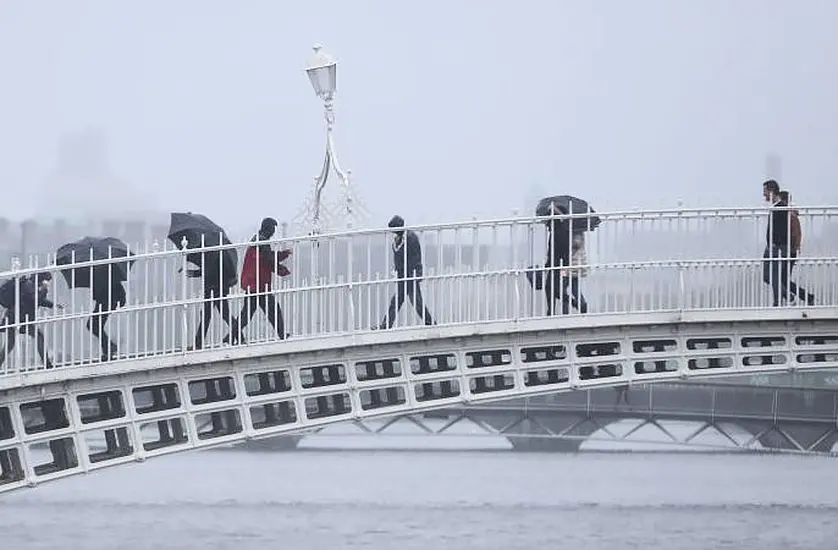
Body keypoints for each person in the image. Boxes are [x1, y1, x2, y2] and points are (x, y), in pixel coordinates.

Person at [377, 215, 435, 329]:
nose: (392, 231)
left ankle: (431, 324)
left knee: (415, 301)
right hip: (403, 275)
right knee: (399, 301)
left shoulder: (410, 237)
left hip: (410, 275)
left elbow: (415, 257)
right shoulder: (398, 239)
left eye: (393, 228)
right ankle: (386, 325)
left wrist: (416, 273)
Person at [238, 217, 292, 340]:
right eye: (273, 229)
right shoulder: (262, 243)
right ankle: (282, 335)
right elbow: (269, 260)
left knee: (247, 316)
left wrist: (283, 255)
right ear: (268, 228)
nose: (273, 232)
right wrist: (283, 269)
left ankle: (230, 336)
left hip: (254, 285)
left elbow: (268, 258)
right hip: (260, 286)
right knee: (273, 311)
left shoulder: (257, 240)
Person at [762, 181, 814, 306]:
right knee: (778, 278)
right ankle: (796, 297)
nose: (763, 196)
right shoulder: (780, 210)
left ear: (771, 191)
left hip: (782, 249)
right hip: (777, 247)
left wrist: (792, 250)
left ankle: (783, 299)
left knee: (777, 277)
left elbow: (793, 234)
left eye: (765, 192)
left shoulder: (785, 211)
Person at [0, 272, 60, 369]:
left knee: (37, 336)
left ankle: (47, 363)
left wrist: (53, 304)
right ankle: (47, 363)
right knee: (10, 344)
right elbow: (36, 299)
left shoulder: (33, 286)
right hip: (15, 318)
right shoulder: (28, 285)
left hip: (22, 318)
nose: (49, 283)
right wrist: (44, 289)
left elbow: (39, 300)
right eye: (48, 281)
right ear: (43, 279)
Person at [185, 247, 240, 350]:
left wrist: (195, 273)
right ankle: (240, 337)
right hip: (219, 289)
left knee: (208, 316)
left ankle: (198, 344)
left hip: (213, 289)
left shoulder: (213, 254)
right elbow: (209, 269)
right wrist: (195, 272)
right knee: (223, 315)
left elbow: (209, 270)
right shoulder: (221, 254)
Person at [86, 266, 126, 361]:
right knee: (95, 326)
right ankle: (108, 349)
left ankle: (109, 348)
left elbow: (97, 294)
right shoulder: (105, 273)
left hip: (105, 303)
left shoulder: (103, 273)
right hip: (105, 303)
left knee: (92, 325)